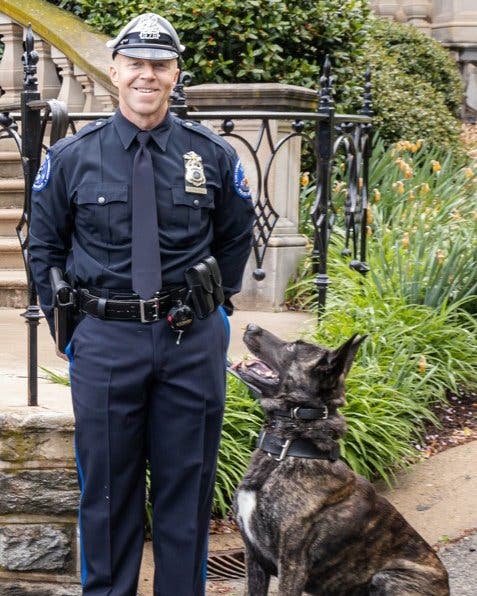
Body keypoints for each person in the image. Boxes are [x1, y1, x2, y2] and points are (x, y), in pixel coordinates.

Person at [29, 12, 255, 596]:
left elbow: (236, 237)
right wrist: (70, 332)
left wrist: (214, 310)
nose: (146, 76)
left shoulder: (212, 155)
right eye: (135, 64)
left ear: (176, 74)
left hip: (190, 340)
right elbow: (44, 248)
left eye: (159, 64)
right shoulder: (72, 157)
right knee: (107, 495)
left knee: (187, 491)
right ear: (115, 71)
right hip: (106, 339)